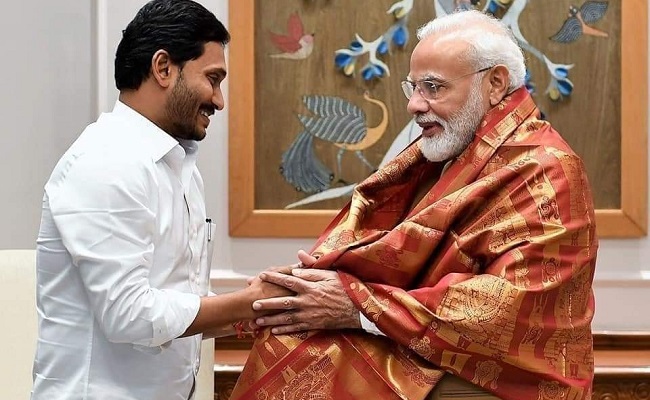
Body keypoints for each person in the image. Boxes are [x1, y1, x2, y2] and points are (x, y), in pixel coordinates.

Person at [230, 9, 598, 400]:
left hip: (509, 378)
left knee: (316, 357)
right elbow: (395, 255)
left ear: (495, 84)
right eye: (413, 88)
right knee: (296, 337)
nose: (415, 106)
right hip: (430, 348)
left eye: (433, 88)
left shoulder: (547, 169)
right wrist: (310, 282)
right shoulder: (454, 151)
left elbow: (505, 311)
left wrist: (358, 305)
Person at [31, 1, 290, 399]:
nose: (219, 101)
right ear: (164, 68)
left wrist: (257, 310)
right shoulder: (106, 161)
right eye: (213, 78)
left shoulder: (178, 166)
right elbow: (129, 315)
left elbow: (176, 312)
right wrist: (244, 303)